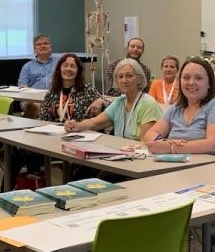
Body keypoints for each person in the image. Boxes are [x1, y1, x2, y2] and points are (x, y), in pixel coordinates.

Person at [14, 53, 101, 187]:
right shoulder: (53, 92)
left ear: (78, 71)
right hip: (53, 141)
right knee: (18, 154)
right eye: (65, 65)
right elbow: (43, 120)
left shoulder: (87, 90)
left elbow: (107, 103)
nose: (69, 69)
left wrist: (101, 100)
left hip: (78, 139)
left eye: (73, 66)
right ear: (59, 69)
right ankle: (4, 192)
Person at [145, 57, 215, 160]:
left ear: (209, 83)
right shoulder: (176, 108)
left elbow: (213, 145)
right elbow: (150, 134)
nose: (191, 82)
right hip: (180, 168)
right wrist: (162, 142)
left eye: (198, 78)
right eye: (186, 77)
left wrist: (171, 147)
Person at [67, 59, 162, 141]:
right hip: (120, 154)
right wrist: (76, 126)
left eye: (129, 76)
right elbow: (94, 123)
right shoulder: (119, 102)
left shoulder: (148, 104)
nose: (124, 80)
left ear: (139, 79)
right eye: (120, 76)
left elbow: (145, 143)